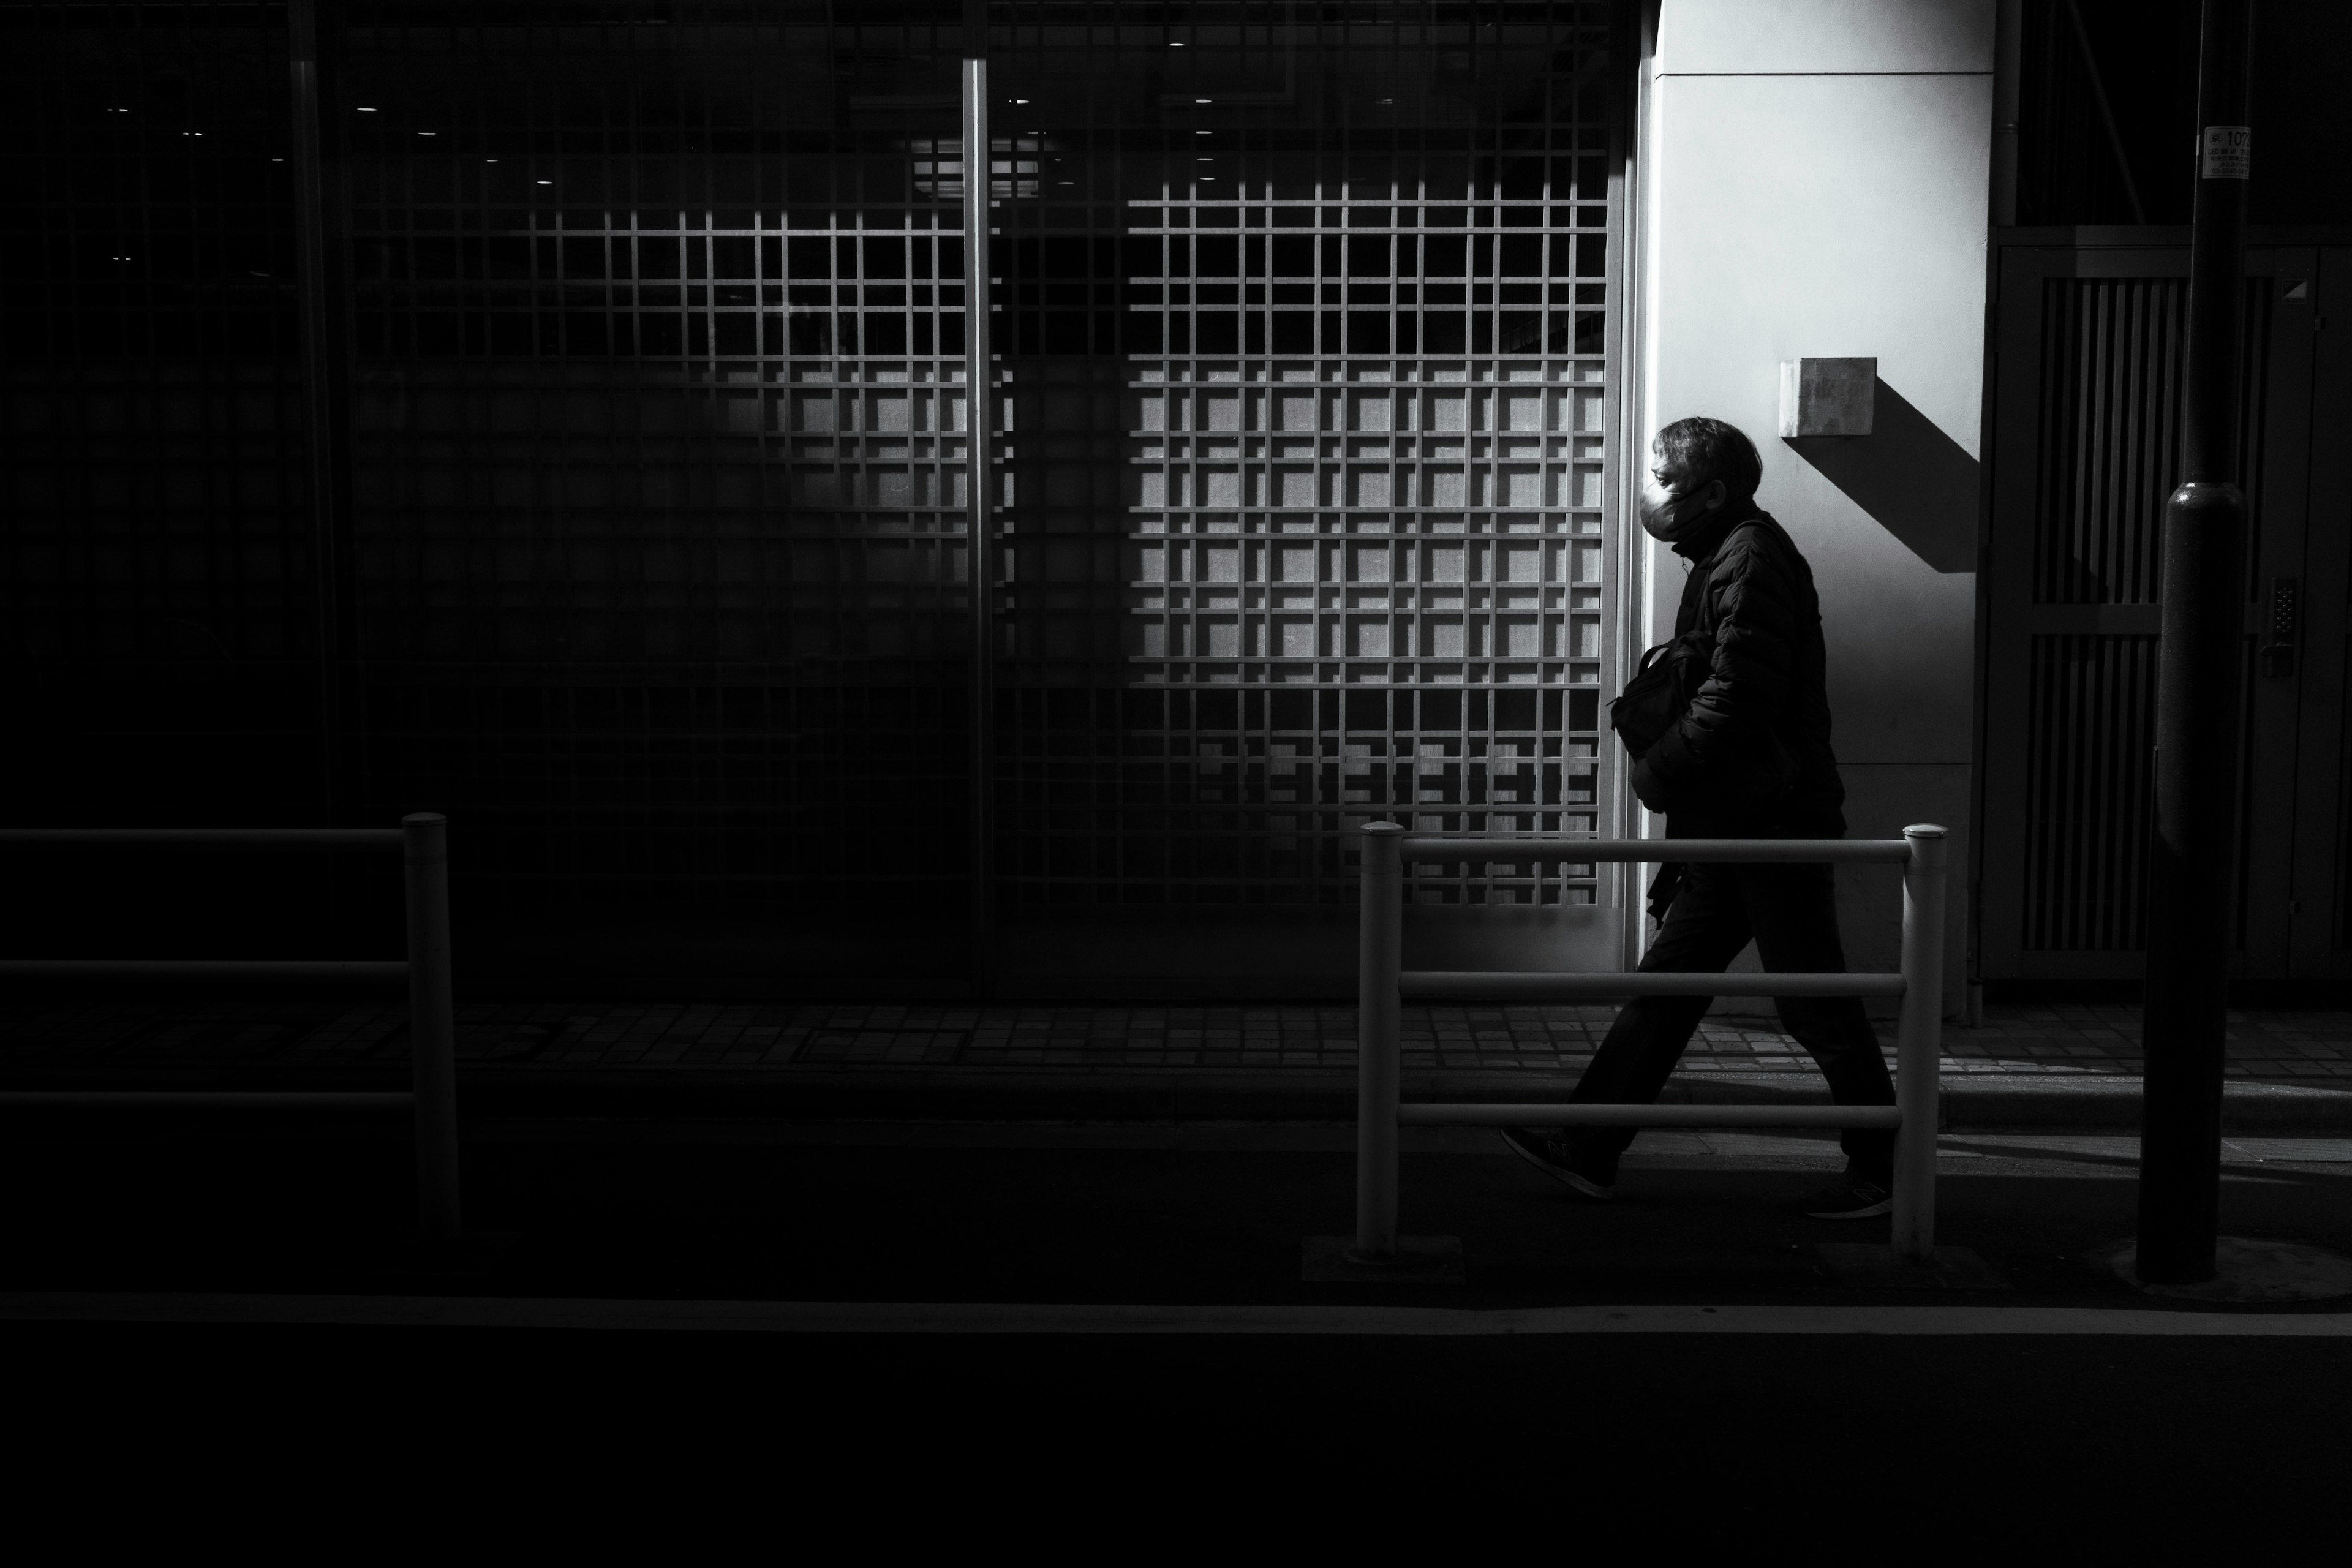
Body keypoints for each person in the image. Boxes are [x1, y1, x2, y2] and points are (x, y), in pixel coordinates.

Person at [1501, 416, 1898, 1219]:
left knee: (1814, 997)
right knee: (1673, 983)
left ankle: (1884, 1170)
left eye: (1664, 481)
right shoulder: (1726, 553)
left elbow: (1740, 694)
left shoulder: (1748, 557)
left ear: (1712, 492)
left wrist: (1662, 767)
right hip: (1739, 816)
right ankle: (1591, 1145)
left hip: (1772, 819)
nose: (1651, 496)